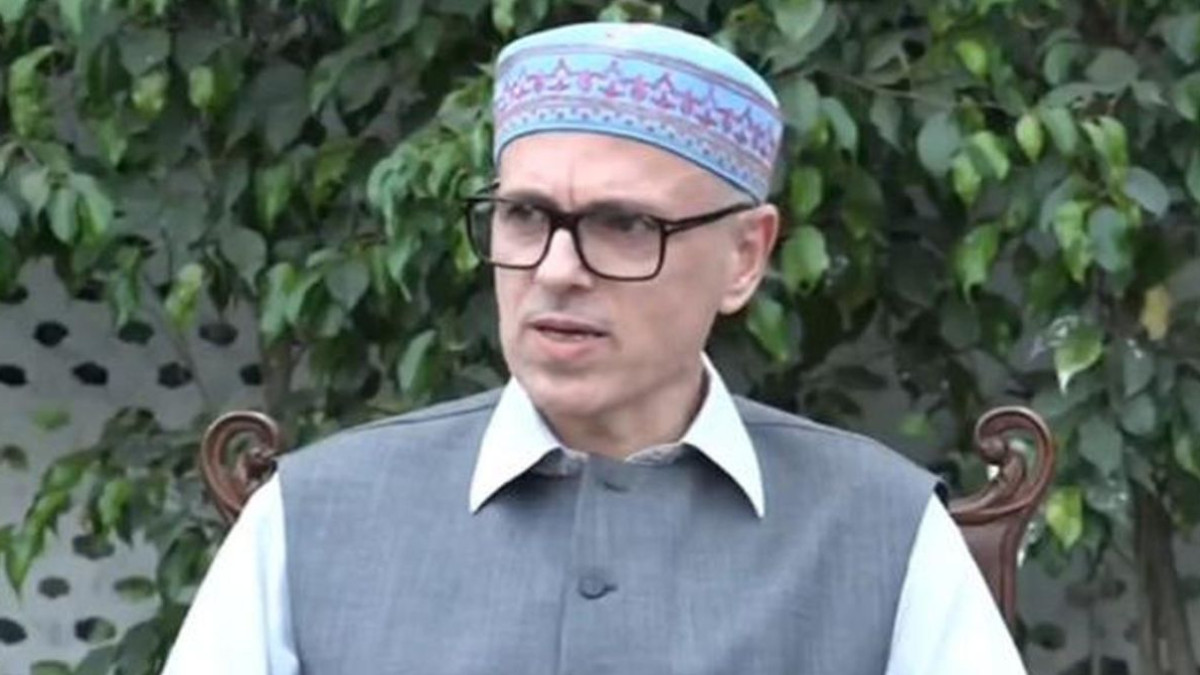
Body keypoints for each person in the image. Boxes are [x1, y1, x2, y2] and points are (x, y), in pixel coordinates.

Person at [162, 21, 1026, 675]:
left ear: (744, 257)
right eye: (525, 215)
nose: (557, 269)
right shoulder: (312, 516)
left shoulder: (879, 528)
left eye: (625, 225)